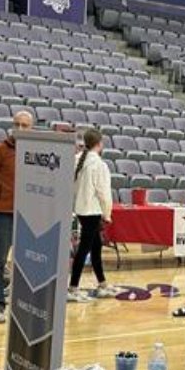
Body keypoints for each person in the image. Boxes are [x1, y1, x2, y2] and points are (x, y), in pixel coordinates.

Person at [0, 109, 33, 323]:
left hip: (29, 215)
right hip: (4, 214)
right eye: (17, 124)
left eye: (25, 125)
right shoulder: (0, 150)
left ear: (31, 128)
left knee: (28, 261)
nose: (20, 128)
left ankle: (26, 303)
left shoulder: (38, 151)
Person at [68, 128, 115, 303]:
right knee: (83, 250)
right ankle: (73, 287)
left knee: (96, 247)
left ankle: (102, 284)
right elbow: (103, 192)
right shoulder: (99, 165)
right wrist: (107, 213)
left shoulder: (77, 159)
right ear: (100, 143)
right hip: (92, 211)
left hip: (81, 209)